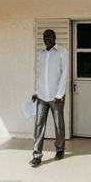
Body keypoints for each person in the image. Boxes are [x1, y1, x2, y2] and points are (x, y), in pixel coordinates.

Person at [30, 29, 68, 167]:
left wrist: (59, 94)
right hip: (41, 96)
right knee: (39, 125)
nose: (47, 38)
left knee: (59, 124)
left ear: (55, 37)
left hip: (56, 97)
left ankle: (60, 149)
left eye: (49, 36)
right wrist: (36, 91)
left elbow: (65, 74)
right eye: (45, 36)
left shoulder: (62, 52)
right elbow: (40, 75)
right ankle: (37, 155)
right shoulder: (41, 54)